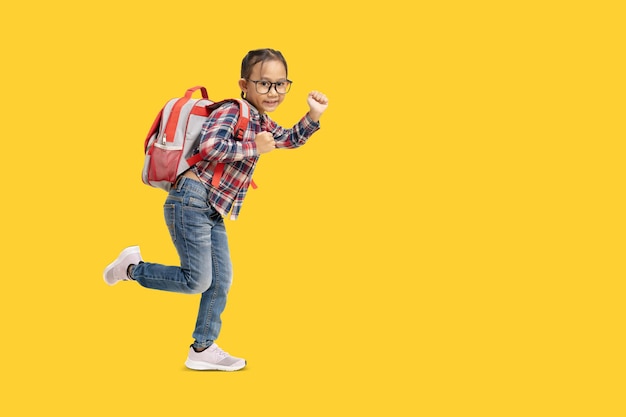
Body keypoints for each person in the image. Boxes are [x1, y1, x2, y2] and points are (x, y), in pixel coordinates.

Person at [103, 48, 328, 371]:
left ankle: (202, 347)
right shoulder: (232, 111)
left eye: (281, 84)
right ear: (244, 84)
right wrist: (254, 147)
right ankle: (132, 269)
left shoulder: (261, 120)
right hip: (191, 199)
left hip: (212, 208)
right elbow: (210, 147)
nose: (273, 92)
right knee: (197, 280)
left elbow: (290, 139)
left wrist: (314, 115)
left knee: (220, 281)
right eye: (264, 84)